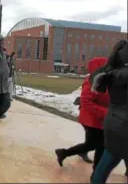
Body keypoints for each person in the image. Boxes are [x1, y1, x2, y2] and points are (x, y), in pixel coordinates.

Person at [55, 57, 109, 174]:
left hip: (99, 119)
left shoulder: (105, 80)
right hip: (90, 119)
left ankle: (66, 153)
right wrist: (105, 112)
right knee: (98, 144)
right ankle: (97, 173)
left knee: (96, 144)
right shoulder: (91, 82)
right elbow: (85, 102)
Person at [90, 40, 128, 183]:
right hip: (124, 126)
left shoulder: (110, 71)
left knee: (105, 164)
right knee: (107, 163)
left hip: (113, 123)